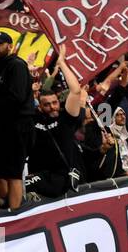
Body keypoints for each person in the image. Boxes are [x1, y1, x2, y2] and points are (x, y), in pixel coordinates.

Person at [24, 56, 87, 199]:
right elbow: (19, 97)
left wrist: (62, 64)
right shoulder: (33, 118)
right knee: (19, 187)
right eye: (47, 104)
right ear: (39, 106)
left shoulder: (66, 118)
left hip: (61, 178)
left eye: (54, 103)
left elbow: (76, 91)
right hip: (39, 175)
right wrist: (26, 69)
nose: (52, 107)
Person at [0, 31, 36, 210]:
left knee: (13, 174)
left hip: (20, 125)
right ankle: (9, 205)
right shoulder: (3, 67)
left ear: (10, 46)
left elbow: (17, 97)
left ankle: (15, 215)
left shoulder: (16, 65)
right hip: (6, 126)